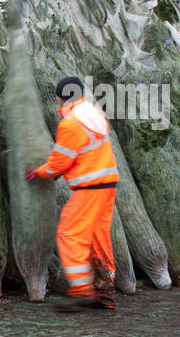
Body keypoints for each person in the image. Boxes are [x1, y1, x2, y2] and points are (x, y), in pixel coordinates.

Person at [24, 77, 118, 312]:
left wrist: (40, 171)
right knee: (98, 236)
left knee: (69, 234)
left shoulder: (71, 123)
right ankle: (104, 289)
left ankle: (81, 290)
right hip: (106, 184)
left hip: (89, 187)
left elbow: (59, 162)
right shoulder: (93, 113)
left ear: (59, 97)